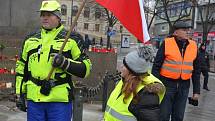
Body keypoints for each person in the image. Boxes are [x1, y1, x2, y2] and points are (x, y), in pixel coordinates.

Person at [15, 1, 92, 121]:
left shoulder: (72, 39)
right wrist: (19, 94)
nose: (45, 17)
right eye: (43, 14)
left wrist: (64, 63)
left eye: (49, 14)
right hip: (34, 101)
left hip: (59, 102)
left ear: (58, 17)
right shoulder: (30, 39)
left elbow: (86, 69)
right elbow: (21, 67)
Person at [152, 21, 201, 121]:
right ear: (175, 32)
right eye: (184, 30)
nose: (187, 32)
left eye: (188, 30)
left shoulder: (193, 45)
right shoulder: (167, 43)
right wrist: (156, 83)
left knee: (178, 117)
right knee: (163, 116)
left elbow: (196, 70)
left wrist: (196, 91)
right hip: (166, 85)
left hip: (184, 87)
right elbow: (156, 66)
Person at [104, 45, 166, 121]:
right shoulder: (124, 81)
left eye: (124, 66)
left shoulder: (147, 95)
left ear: (132, 72)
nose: (121, 66)